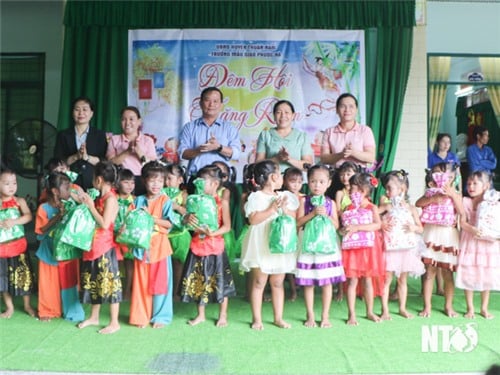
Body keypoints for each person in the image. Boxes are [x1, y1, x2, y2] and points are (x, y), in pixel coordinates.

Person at [240, 160, 299, 330]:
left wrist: (284, 209)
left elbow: (293, 216)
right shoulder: (256, 197)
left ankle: (278, 318)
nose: (281, 177)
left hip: (279, 243)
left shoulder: (282, 196)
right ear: (273, 177)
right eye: (280, 174)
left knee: (278, 282)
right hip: (261, 243)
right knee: (259, 282)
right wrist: (271, 209)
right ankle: (257, 319)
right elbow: (252, 220)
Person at [179, 165, 236, 327]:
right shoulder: (194, 201)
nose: (199, 184)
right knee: (199, 280)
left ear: (215, 184)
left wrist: (213, 233)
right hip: (197, 245)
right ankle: (201, 314)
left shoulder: (221, 203)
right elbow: (186, 221)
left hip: (215, 246)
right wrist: (186, 219)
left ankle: (222, 315)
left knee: (221, 280)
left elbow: (227, 226)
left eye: (203, 182)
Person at [295, 164, 345, 328]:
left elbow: (337, 226)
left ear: (329, 183)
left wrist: (327, 215)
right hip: (308, 246)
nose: (317, 185)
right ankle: (310, 315)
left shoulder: (330, 203)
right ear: (307, 182)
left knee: (326, 282)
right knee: (308, 282)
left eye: (321, 182)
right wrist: (312, 214)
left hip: (327, 247)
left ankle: (325, 316)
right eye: (313, 181)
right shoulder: (304, 201)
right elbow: (298, 222)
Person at [76, 161, 122, 334]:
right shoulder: (100, 197)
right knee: (95, 281)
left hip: (105, 246)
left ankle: (114, 322)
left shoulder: (111, 199)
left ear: (99, 179)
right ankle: (94, 317)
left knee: (110, 284)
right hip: (93, 245)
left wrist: (90, 206)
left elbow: (104, 223)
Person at [416, 162, 464, 318]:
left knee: (448, 273)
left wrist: (451, 194)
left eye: (446, 175)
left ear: (452, 178)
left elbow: (462, 212)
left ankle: (448, 306)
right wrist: (433, 198)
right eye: (437, 174)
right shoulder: (430, 192)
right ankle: (427, 306)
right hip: (431, 233)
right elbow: (418, 203)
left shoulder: (456, 193)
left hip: (448, 235)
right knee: (429, 272)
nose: (442, 178)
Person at [129, 161, 174, 329]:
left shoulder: (165, 200)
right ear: (144, 181)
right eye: (152, 180)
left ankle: (160, 317)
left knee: (160, 283)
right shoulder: (138, 200)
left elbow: (169, 224)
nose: (156, 184)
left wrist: (151, 218)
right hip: (141, 247)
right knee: (140, 283)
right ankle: (140, 316)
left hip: (159, 248)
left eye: (160, 181)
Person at [35, 172, 84, 322]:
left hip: (67, 251)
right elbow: (40, 232)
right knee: (48, 283)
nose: (70, 191)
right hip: (48, 251)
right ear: (55, 191)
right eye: (67, 188)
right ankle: (48, 310)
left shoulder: (73, 205)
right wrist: (58, 217)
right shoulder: (43, 208)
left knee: (69, 282)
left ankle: (72, 311)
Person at [379, 170, 425, 320]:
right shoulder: (387, 206)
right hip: (391, 249)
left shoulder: (411, 208)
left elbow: (420, 227)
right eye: (386, 188)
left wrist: (413, 228)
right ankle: (384, 310)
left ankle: (402, 308)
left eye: (389, 188)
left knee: (402, 280)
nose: (386, 191)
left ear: (402, 189)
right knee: (386, 280)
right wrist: (381, 223)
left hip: (406, 249)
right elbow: (372, 215)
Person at [340, 172, 384, 325]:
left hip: (369, 249)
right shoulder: (347, 207)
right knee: (352, 281)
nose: (350, 192)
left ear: (363, 191)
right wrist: (344, 230)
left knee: (368, 280)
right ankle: (351, 314)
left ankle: (369, 311)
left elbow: (378, 225)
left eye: (352, 188)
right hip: (352, 249)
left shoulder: (372, 207)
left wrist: (358, 227)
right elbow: (342, 228)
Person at [456, 171, 500, 319]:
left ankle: (484, 308)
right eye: (469, 184)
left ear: (486, 186)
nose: (471, 186)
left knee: (486, 273)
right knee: (469, 273)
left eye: (475, 183)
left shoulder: (494, 202)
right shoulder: (465, 201)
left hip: (487, 245)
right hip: (470, 242)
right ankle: (470, 308)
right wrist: (472, 229)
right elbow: (462, 222)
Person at [178, 87, 240, 178]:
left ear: (221, 105)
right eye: (207, 100)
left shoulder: (230, 128)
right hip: (196, 177)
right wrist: (199, 150)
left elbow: (236, 154)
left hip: (221, 179)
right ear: (200, 103)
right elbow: (182, 153)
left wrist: (219, 147)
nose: (211, 104)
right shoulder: (189, 127)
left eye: (215, 101)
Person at [0, 168, 36, 318]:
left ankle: (27, 305)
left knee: (23, 276)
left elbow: (28, 216)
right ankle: (10, 307)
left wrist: (14, 221)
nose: (11, 186)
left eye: (14, 183)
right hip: (2, 249)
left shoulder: (19, 201)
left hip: (18, 247)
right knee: (3, 278)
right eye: (7, 183)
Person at [54, 97, 108, 190]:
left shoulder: (100, 135)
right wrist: (76, 156)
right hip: (68, 184)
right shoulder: (63, 135)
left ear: (91, 113)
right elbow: (58, 161)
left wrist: (87, 157)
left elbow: (104, 161)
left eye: (85, 109)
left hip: (93, 183)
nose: (81, 113)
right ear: (72, 113)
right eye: (77, 109)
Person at [106, 106, 157, 196]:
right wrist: (127, 151)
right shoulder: (114, 139)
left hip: (143, 181)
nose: (127, 123)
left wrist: (139, 152)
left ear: (139, 122)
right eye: (123, 119)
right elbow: (110, 163)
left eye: (131, 119)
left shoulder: (148, 140)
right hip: (121, 181)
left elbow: (153, 166)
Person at [320, 93, 376, 169]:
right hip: (336, 175)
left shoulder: (365, 130)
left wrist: (353, 152)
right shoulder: (329, 132)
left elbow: (371, 158)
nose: (347, 110)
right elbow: (324, 159)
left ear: (356, 110)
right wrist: (341, 154)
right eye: (343, 106)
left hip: (359, 176)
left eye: (351, 106)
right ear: (336, 110)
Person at [255, 100, 313, 172]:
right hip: (271, 182)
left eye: (287, 112)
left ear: (293, 115)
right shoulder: (265, 135)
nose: (283, 116)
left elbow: (308, 166)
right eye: (279, 112)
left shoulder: (302, 136)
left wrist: (288, 159)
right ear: (274, 116)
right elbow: (257, 165)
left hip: (296, 182)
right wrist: (276, 159)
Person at [163, 163, 190, 301]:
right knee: (164, 264)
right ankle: (164, 291)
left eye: (170, 178)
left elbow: (188, 213)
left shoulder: (183, 194)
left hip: (179, 235)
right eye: (165, 179)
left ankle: (176, 291)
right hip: (164, 234)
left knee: (178, 264)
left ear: (180, 180)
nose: (166, 182)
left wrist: (177, 207)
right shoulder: (161, 193)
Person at [281, 167, 304, 301]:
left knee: (299, 261)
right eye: (293, 181)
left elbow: (300, 217)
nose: (296, 185)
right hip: (287, 234)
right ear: (285, 181)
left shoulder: (304, 198)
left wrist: (287, 212)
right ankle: (293, 290)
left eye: (300, 182)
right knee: (288, 262)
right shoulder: (282, 196)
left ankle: (300, 285)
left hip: (300, 233)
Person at [114, 168, 136, 301]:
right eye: (126, 182)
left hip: (129, 238)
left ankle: (127, 291)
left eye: (132, 183)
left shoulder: (135, 200)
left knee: (129, 264)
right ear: (117, 183)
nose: (130, 186)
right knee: (114, 264)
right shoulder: (112, 199)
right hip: (113, 236)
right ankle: (114, 290)